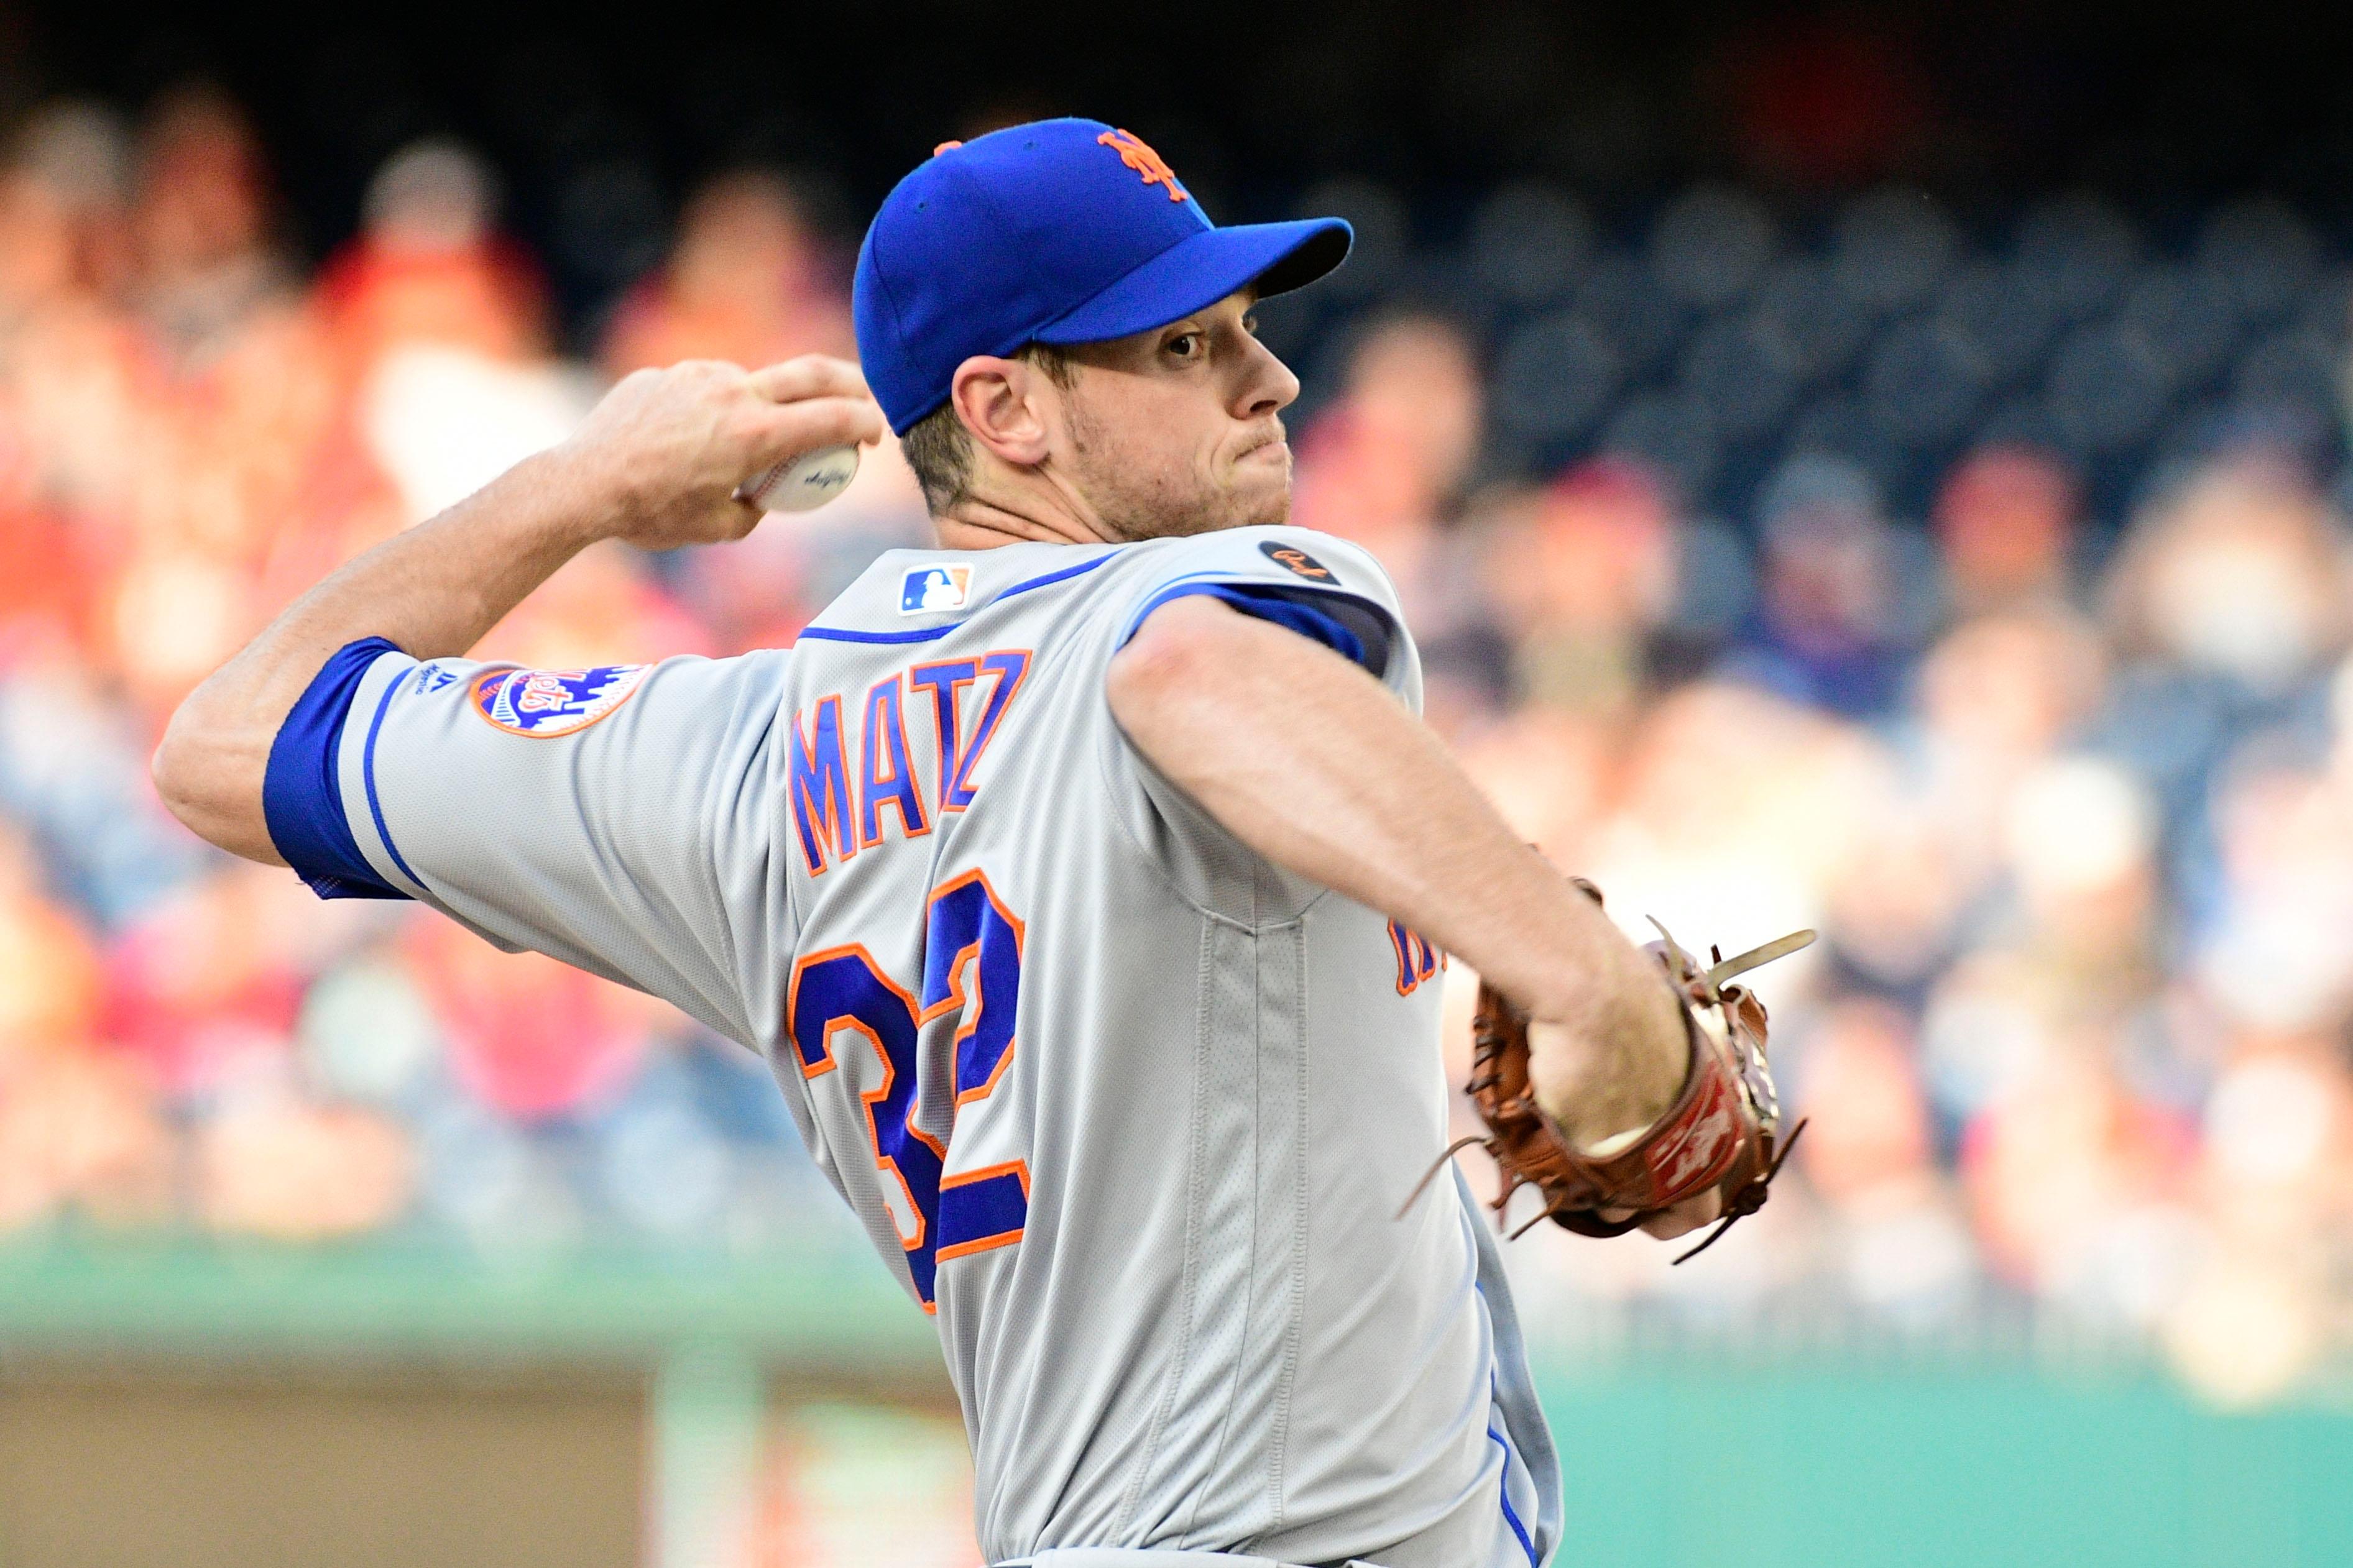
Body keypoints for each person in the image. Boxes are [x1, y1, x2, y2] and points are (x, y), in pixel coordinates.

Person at [153, 119, 1713, 1568]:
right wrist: (1583, 977)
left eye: (1246, 329)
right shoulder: (1185, 604)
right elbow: (1186, 673)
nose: (1271, 380)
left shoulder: (735, 758)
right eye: (1187, 343)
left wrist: (586, 487)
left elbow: (225, 744)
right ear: (1006, 408)